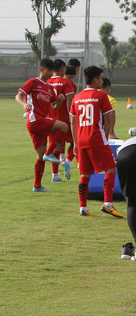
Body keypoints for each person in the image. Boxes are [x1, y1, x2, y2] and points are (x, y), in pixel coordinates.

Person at [69, 66, 123, 218]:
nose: (101, 80)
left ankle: (83, 207)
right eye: (100, 78)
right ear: (95, 80)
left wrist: (75, 143)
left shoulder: (77, 97)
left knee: (85, 174)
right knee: (111, 169)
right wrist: (106, 136)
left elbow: (73, 122)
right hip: (96, 138)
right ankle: (108, 204)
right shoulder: (100, 96)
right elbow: (108, 117)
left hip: (81, 139)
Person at [15, 58, 69, 192]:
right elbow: (18, 95)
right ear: (41, 70)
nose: (50, 73)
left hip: (39, 121)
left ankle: (37, 186)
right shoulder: (33, 82)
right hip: (35, 119)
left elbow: (55, 107)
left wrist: (60, 101)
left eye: (52, 70)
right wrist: (24, 104)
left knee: (40, 155)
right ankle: (50, 153)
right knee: (64, 126)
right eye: (48, 70)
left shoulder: (50, 88)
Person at [44, 58, 75, 182]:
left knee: (57, 146)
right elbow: (70, 101)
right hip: (64, 119)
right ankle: (67, 161)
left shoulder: (47, 82)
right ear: (63, 69)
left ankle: (55, 176)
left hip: (50, 119)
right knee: (75, 142)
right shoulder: (66, 82)